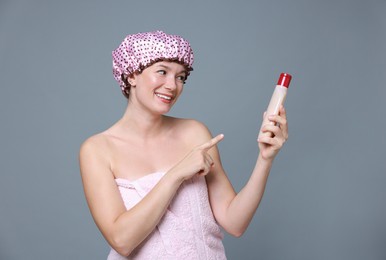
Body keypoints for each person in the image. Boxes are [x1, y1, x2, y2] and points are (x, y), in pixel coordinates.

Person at [79, 30, 289, 260]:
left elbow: (234, 222)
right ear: (131, 75)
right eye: (162, 72)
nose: (172, 85)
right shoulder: (98, 150)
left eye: (181, 77)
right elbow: (122, 241)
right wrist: (177, 173)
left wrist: (265, 158)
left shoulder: (194, 133)